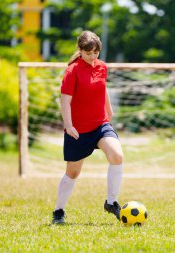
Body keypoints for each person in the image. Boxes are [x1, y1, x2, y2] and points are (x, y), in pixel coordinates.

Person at [52, 30, 124, 224]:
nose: (92, 57)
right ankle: (58, 211)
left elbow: (103, 88)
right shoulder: (72, 70)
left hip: (100, 125)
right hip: (78, 130)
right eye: (88, 53)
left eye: (96, 53)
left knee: (117, 155)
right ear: (80, 50)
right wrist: (68, 125)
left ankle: (112, 202)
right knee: (73, 173)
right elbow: (65, 101)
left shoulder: (102, 66)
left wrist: (109, 110)